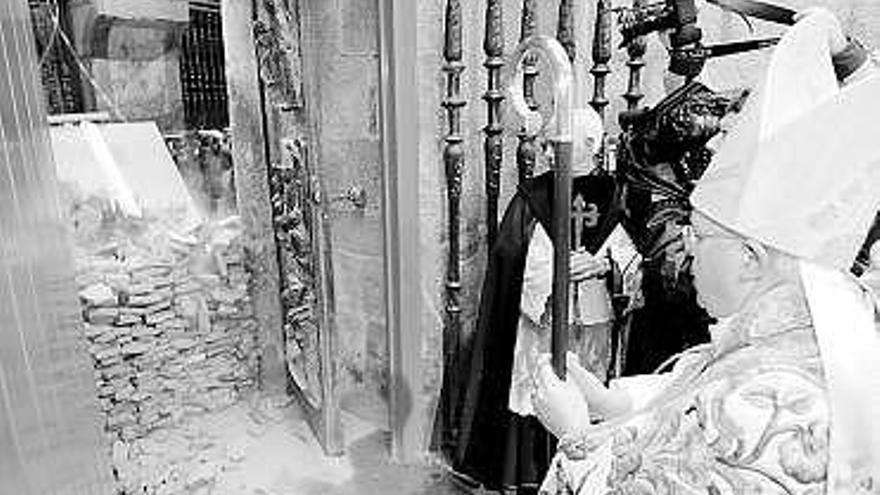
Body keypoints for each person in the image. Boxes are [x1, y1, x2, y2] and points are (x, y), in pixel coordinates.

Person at [530, 8, 880, 494]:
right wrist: (612, 406)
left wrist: (576, 437)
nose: (687, 246)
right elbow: (696, 395)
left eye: (697, 231)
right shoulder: (812, 328)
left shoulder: (764, 407)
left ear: (750, 258)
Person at [448, 107, 619, 494]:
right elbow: (510, 256)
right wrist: (549, 272)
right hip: (540, 322)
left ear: (591, 145)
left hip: (594, 322)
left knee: (590, 393)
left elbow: (636, 255)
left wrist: (604, 263)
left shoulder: (617, 193)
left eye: (556, 143)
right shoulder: (534, 196)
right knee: (539, 390)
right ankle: (530, 475)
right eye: (547, 143)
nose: (545, 151)